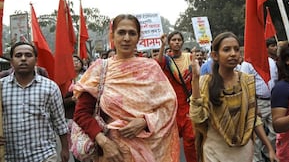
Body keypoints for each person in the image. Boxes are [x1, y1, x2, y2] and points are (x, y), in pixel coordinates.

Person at [73, 14, 180, 162]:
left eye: (132, 33)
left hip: (151, 152)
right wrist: (104, 143)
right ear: (112, 36)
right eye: (121, 32)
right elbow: (81, 114)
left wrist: (145, 121)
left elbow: (169, 106)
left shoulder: (151, 68)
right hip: (112, 153)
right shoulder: (100, 69)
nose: (127, 38)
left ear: (138, 37)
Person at [189, 32, 278, 162]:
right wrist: (195, 79)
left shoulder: (247, 81)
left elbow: (253, 119)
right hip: (216, 152)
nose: (233, 54)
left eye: (236, 49)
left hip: (243, 151)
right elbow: (198, 117)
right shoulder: (205, 82)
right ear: (215, 55)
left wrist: (269, 147)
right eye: (226, 50)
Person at [0, 42, 69, 162]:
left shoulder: (50, 87)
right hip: (9, 156)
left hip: (44, 155)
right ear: (11, 62)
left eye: (28, 55)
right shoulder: (1, 87)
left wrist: (65, 149)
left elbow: (60, 122)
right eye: (18, 55)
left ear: (36, 60)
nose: (23, 59)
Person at [157, 31, 197, 162]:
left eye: (179, 40)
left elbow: (196, 78)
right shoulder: (167, 60)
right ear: (169, 43)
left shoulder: (190, 58)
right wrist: (162, 46)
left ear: (182, 42)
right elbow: (158, 65)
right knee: (171, 142)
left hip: (187, 105)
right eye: (173, 40)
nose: (177, 42)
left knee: (190, 139)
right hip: (172, 107)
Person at [240, 38, 278, 162]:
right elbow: (244, 85)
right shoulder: (247, 63)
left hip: (271, 101)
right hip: (257, 102)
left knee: (274, 131)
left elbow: (275, 80)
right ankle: (256, 159)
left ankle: (268, 153)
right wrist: (253, 104)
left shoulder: (271, 62)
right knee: (256, 135)